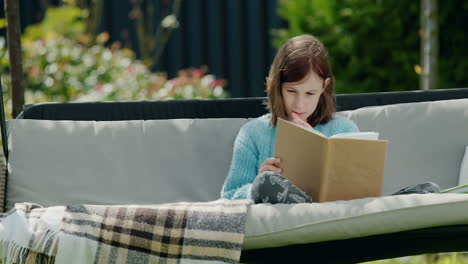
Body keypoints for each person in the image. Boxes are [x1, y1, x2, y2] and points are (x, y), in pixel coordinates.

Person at [220, 34, 440, 204]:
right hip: (290, 210)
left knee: (426, 190)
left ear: (324, 88)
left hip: (345, 209)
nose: (299, 104)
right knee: (265, 183)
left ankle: (399, 204)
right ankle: (305, 206)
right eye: (291, 91)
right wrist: (256, 185)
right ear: (276, 85)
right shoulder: (253, 132)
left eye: (309, 93)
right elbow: (228, 196)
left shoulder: (343, 127)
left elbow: (361, 189)